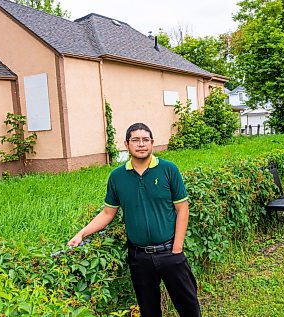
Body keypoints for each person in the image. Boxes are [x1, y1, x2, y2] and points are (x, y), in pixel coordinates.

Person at [68, 122, 201, 317]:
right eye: (135, 140)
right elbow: (107, 213)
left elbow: (182, 209)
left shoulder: (168, 170)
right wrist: (81, 234)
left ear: (152, 143)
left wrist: (177, 248)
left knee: (189, 307)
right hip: (139, 258)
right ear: (126, 144)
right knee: (149, 311)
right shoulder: (117, 177)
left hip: (170, 252)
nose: (141, 144)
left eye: (145, 139)